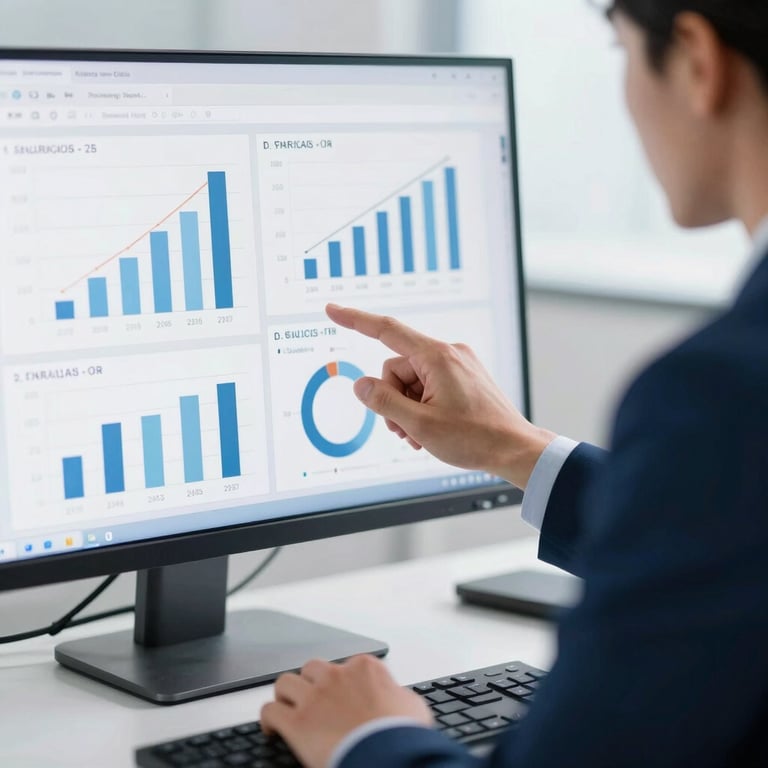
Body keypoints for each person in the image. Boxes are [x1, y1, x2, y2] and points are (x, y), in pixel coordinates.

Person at [261, 1, 768, 765]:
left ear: (698, 59)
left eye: (622, 52)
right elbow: (729, 529)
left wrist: (368, 736)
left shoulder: (719, 393)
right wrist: (517, 449)